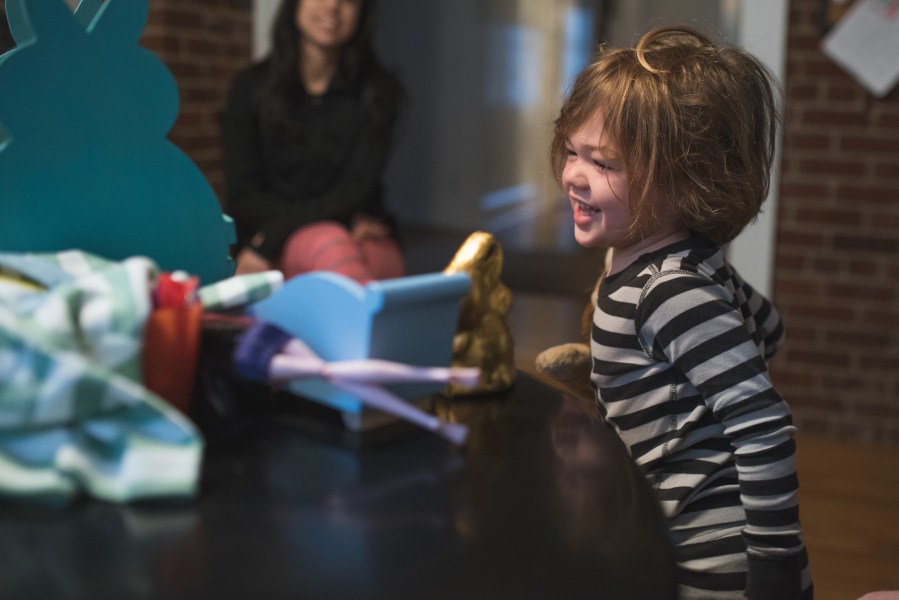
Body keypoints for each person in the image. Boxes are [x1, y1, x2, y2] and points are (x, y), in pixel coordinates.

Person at [549, 26, 813, 599]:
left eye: (604, 164)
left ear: (685, 182)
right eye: (572, 151)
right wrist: (634, 377)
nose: (573, 175)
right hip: (665, 534)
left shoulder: (668, 292)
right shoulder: (689, 261)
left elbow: (764, 428)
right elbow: (768, 327)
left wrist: (774, 570)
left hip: (716, 562)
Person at [221, 0, 405, 283]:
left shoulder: (379, 91)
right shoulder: (250, 87)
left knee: (380, 262)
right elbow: (243, 197)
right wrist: (280, 234)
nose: (332, 6)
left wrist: (285, 230)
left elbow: (357, 188)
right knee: (332, 246)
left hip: (358, 226)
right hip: (274, 232)